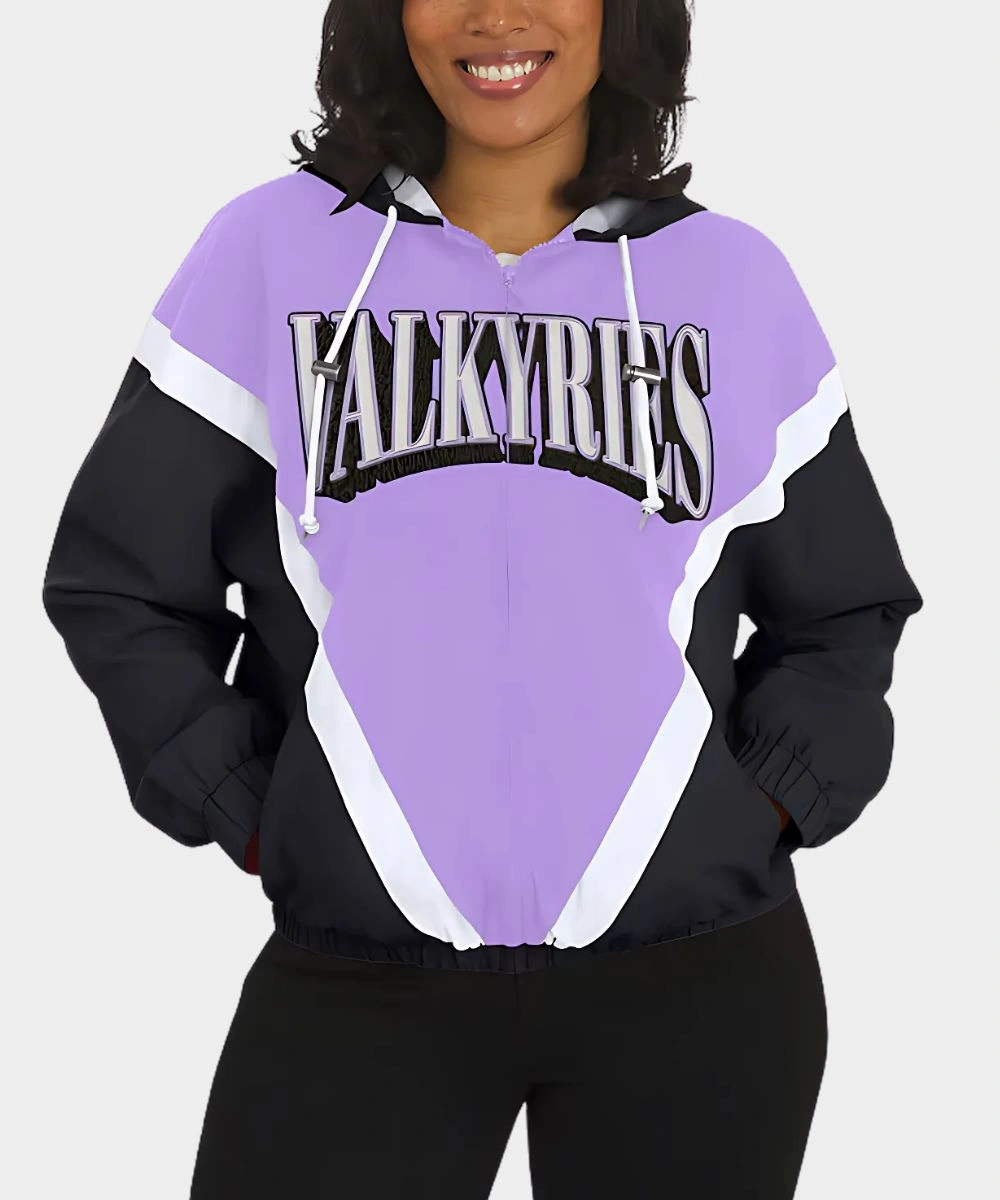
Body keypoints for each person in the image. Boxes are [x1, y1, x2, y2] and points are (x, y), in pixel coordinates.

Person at [42, 2, 923, 1197]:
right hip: (360, 984)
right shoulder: (268, 256)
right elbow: (121, 579)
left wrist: (760, 807)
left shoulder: (732, 280)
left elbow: (841, 607)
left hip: (698, 985)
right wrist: (254, 806)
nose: (495, 14)